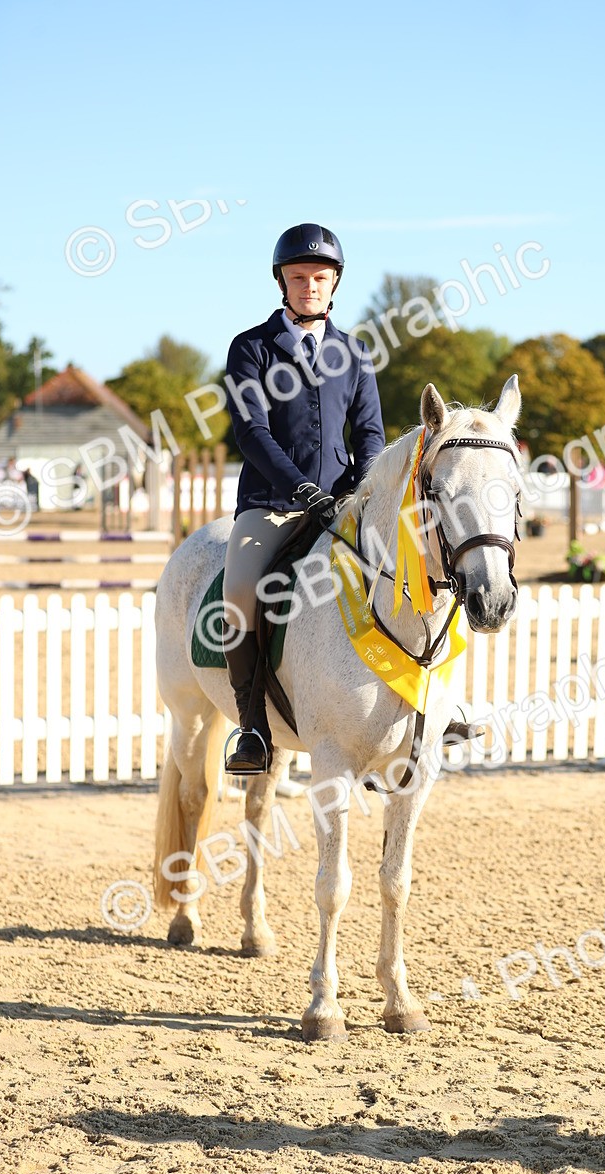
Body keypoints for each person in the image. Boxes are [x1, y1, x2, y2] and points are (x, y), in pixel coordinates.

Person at [222, 223, 385, 774]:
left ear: (334, 282)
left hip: (341, 503)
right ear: (281, 282)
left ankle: (432, 708)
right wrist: (301, 489)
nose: (309, 286)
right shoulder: (251, 348)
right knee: (242, 592)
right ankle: (252, 730)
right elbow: (252, 432)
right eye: (298, 277)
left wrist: (366, 490)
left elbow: (368, 436)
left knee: (415, 567)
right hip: (272, 503)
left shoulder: (356, 354)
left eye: (319, 277)